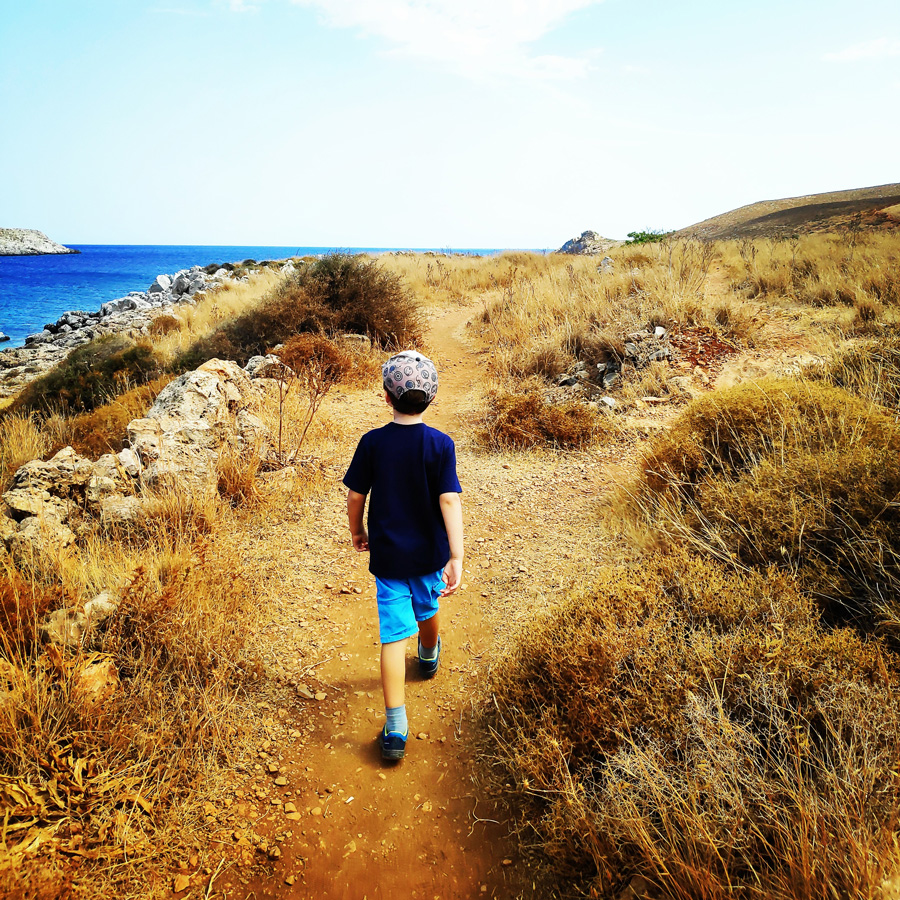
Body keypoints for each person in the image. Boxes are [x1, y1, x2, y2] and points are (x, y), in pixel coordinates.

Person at [343, 350, 464, 761]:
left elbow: (356, 494)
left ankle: (396, 726)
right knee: (428, 606)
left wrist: (357, 530)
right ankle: (429, 656)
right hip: (430, 554)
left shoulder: (372, 443)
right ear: (431, 397)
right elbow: (449, 501)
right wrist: (457, 556)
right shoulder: (440, 445)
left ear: (386, 397)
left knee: (393, 637)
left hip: (390, 558)